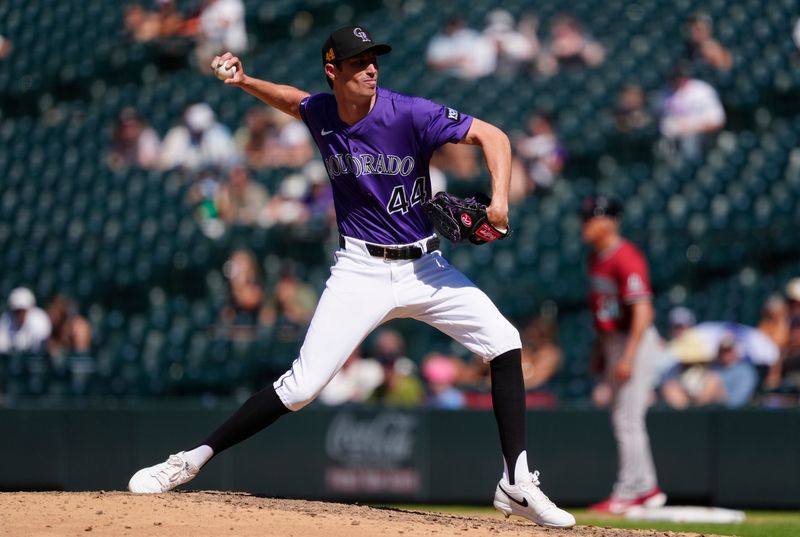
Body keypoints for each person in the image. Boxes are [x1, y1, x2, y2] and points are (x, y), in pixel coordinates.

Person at [128, 24, 575, 529]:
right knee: (300, 388)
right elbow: (294, 101)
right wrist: (246, 80)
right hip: (360, 270)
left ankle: (515, 482)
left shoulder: (407, 111)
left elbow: (492, 135)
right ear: (332, 70)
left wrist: (499, 200)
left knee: (505, 341)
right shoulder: (323, 112)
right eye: (359, 61)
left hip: (425, 267)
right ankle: (189, 461)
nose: (371, 68)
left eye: (374, 59)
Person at [580, 196, 666, 514]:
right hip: (615, 341)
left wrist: (627, 356)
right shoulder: (595, 259)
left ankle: (632, 490)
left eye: (593, 217)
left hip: (635, 340)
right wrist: (601, 352)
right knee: (624, 419)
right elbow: (603, 312)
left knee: (628, 419)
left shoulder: (626, 257)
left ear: (610, 221)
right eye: (586, 217)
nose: (586, 223)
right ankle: (646, 488)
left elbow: (643, 311)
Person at [658, 64, 725, 162]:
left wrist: (689, 128)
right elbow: (657, 116)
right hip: (670, 138)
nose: (678, 80)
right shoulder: (665, 92)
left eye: (680, 77)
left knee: (689, 140)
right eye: (675, 77)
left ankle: (691, 165)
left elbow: (718, 121)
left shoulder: (702, 91)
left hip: (701, 136)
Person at [159, 102, 239, 170]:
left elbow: (230, 159)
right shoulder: (177, 134)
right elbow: (165, 162)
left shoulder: (219, 133)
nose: (199, 133)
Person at [0, 287, 52, 354]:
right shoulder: (5, 320)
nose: (20, 314)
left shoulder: (40, 319)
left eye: (23, 310)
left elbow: (44, 344)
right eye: (17, 311)